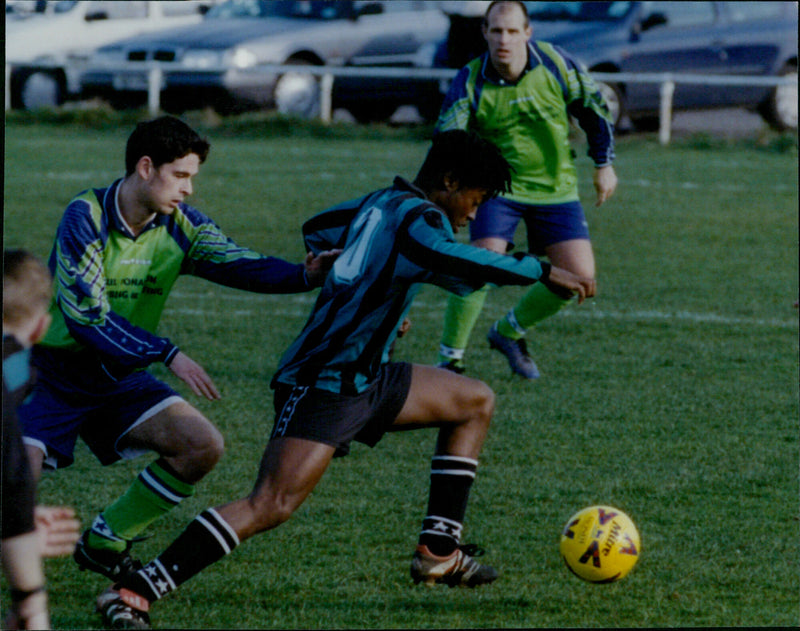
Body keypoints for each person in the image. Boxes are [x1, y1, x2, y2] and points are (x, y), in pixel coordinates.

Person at [94, 129, 596, 629]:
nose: (474, 214)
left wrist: (370, 286)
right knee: (270, 503)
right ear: (449, 182)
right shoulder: (421, 219)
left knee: (473, 401)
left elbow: (319, 229)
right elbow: (448, 255)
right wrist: (538, 270)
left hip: (367, 376)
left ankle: (439, 552)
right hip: (324, 380)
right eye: (476, 199)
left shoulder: (382, 202)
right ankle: (134, 591)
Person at [16, 116, 339, 590]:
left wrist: (303, 275)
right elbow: (87, 318)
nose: (188, 189)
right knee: (15, 482)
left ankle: (105, 542)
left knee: (201, 445)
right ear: (146, 167)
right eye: (180, 175)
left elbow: (238, 262)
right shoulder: (85, 217)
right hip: (50, 374)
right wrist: (167, 352)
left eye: (192, 177)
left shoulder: (184, 226)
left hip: (118, 376)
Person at [435, 0, 618, 379]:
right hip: (496, 190)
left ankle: (508, 332)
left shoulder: (557, 64)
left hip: (556, 189)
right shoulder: (469, 80)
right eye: (497, 31)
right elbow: (447, 140)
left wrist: (604, 164)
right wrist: (445, 191)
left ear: (527, 33)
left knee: (580, 279)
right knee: (479, 264)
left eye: (512, 31)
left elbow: (595, 108)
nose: (504, 39)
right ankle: (450, 360)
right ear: (485, 33)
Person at [3, 249, 81, 630]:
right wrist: (30, 602)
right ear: (40, 328)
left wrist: (14, 520)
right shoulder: (13, 373)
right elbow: (13, 482)